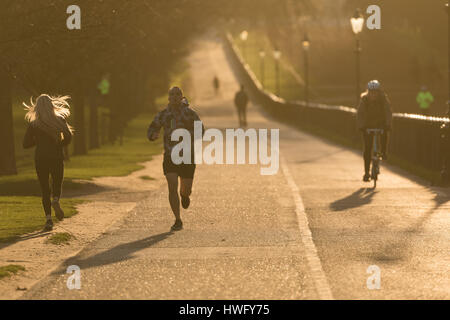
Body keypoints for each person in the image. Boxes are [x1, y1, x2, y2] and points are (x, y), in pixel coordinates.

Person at [147, 87, 204, 231]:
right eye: (171, 94)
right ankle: (178, 219)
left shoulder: (190, 114)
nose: (174, 97)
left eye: (177, 94)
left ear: (181, 97)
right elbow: (153, 127)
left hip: (187, 156)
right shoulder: (164, 114)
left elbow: (201, 130)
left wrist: (189, 135)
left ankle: (184, 196)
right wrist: (153, 135)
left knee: (185, 190)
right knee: (172, 186)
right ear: (168, 98)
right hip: (170, 155)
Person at [23, 94, 73, 231]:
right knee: (57, 181)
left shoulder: (34, 124)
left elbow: (25, 144)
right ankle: (56, 199)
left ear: (37, 108)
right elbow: (68, 137)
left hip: (41, 157)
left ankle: (48, 220)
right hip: (56, 156)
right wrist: (60, 144)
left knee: (45, 188)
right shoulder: (59, 120)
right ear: (52, 105)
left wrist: (38, 141)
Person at [357, 80, 392, 182]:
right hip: (368, 126)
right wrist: (361, 126)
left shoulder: (383, 99)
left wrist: (388, 124)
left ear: (379, 92)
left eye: (375, 92)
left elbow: (388, 111)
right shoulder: (364, 100)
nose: (373, 94)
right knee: (367, 148)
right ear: (368, 91)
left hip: (380, 124)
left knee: (384, 134)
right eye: (371, 92)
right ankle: (367, 172)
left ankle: (384, 152)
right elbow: (360, 114)